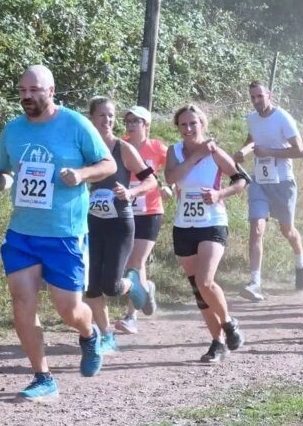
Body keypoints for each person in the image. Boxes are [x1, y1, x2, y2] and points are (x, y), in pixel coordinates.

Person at [0, 65, 115, 400]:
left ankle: (89, 334)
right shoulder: (13, 130)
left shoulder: (75, 124)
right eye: (22, 91)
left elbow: (108, 165)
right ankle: (42, 377)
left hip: (64, 232)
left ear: (51, 90)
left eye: (34, 90)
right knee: (22, 303)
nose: (27, 97)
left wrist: (82, 173)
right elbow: (5, 172)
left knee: (68, 309)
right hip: (23, 232)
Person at [165, 104, 248, 363]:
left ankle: (228, 323)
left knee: (205, 280)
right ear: (178, 128)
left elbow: (241, 180)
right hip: (183, 225)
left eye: (193, 123)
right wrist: (194, 157)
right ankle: (217, 343)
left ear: (203, 124)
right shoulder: (175, 151)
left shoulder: (215, 153)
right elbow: (171, 178)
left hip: (212, 222)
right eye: (183, 125)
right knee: (198, 289)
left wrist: (219, 194)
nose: (188, 129)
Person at [84, 97, 157, 355]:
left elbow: (152, 181)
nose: (108, 120)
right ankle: (107, 336)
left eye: (111, 116)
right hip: (90, 223)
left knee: (111, 287)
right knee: (90, 287)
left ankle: (135, 284)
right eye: (102, 115)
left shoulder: (122, 148)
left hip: (119, 224)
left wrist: (132, 192)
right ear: (91, 118)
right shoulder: (83, 149)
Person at [233, 81, 303, 302]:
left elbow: (300, 151)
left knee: (287, 230)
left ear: (269, 95)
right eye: (252, 97)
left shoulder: (283, 117)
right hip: (259, 180)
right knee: (256, 228)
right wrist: (243, 152)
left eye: (259, 96)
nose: (256, 101)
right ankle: (255, 282)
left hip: (283, 182)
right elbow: (252, 140)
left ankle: (301, 261)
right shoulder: (251, 118)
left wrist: (270, 152)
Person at [115, 106, 171, 334]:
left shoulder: (157, 147)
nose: (130, 124)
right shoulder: (120, 146)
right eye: (128, 120)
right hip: (124, 210)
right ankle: (146, 289)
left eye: (135, 121)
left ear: (146, 125)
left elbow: (175, 170)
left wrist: (170, 186)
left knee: (135, 263)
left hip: (150, 211)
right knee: (129, 261)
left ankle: (131, 317)